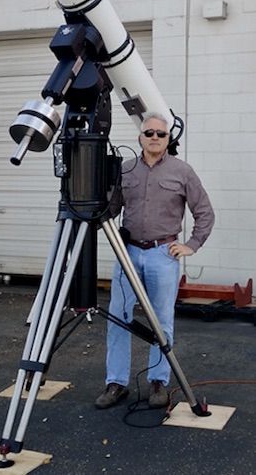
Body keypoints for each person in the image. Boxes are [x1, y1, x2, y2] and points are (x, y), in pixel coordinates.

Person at [96, 112, 215, 409]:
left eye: (160, 134)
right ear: (140, 137)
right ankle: (116, 383)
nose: (154, 138)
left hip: (163, 255)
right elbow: (111, 208)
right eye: (149, 133)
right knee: (118, 318)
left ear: (168, 138)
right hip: (129, 254)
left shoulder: (182, 171)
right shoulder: (126, 170)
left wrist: (191, 245)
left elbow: (205, 213)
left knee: (162, 322)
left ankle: (158, 382)